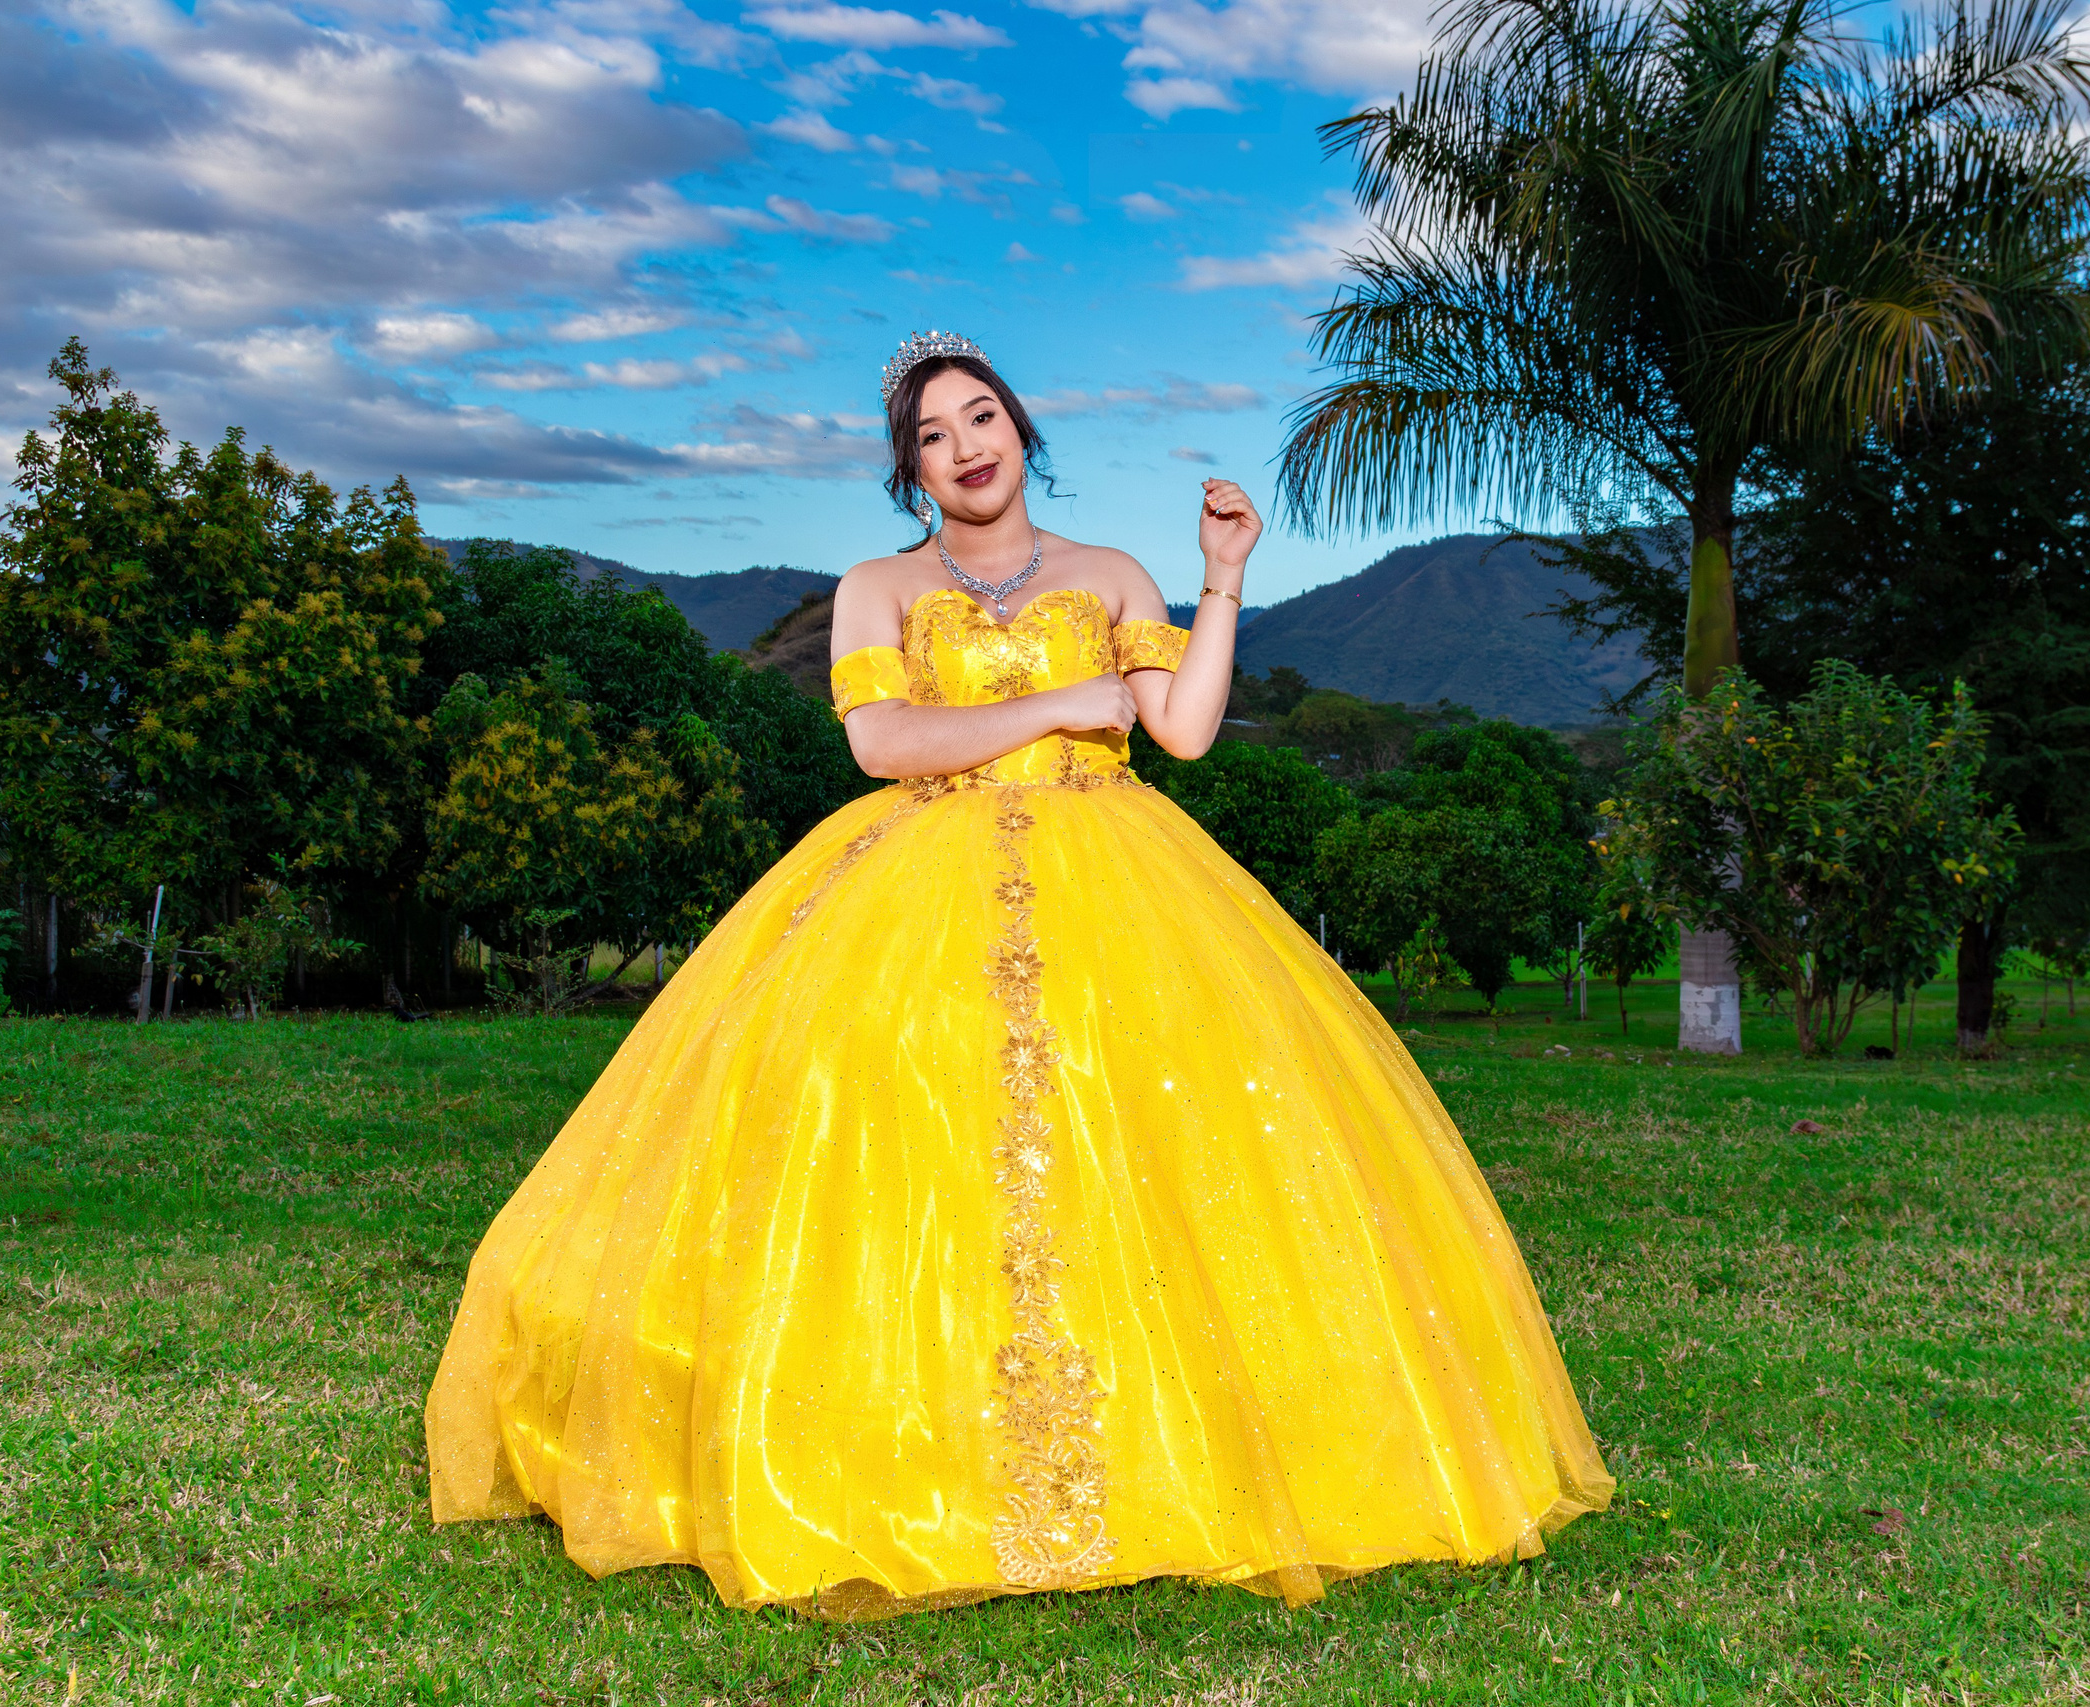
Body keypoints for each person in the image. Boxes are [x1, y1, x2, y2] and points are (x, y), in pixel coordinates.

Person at [424, 331, 1611, 1621]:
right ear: (911, 471)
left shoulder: (1111, 577)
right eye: (932, 437)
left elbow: (1188, 730)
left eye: (980, 418)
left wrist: (1220, 582)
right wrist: (1053, 708)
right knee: (884, 1124)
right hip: (916, 883)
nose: (964, 448)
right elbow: (885, 741)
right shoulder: (877, 586)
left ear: (1022, 431)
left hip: (1120, 877)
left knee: (1155, 1130)